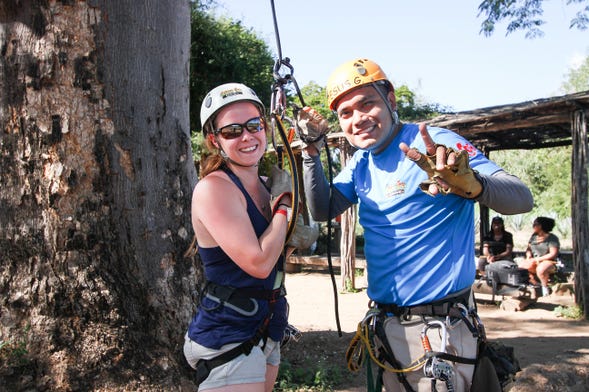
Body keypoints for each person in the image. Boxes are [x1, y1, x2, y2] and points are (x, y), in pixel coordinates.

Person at [300, 58, 533, 391]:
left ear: (390, 101)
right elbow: (324, 207)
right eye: (345, 113)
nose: (358, 119)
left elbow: (521, 198)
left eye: (367, 104)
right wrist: (311, 151)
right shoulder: (361, 162)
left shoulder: (435, 144)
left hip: (439, 332)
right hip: (387, 327)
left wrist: (472, 184)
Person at [183, 83, 292, 392]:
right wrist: (284, 207)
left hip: (266, 328)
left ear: (265, 128)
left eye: (254, 125)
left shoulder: (266, 184)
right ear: (214, 140)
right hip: (228, 336)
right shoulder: (214, 189)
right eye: (232, 131)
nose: (247, 136)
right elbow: (258, 263)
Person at [519, 216, 560, 297]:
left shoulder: (552, 238)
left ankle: (545, 288)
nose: (533, 226)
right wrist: (528, 257)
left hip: (549, 262)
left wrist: (537, 259)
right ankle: (534, 284)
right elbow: (529, 249)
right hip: (535, 260)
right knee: (521, 267)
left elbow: (553, 254)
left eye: (535, 224)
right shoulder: (533, 237)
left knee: (541, 269)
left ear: (541, 226)